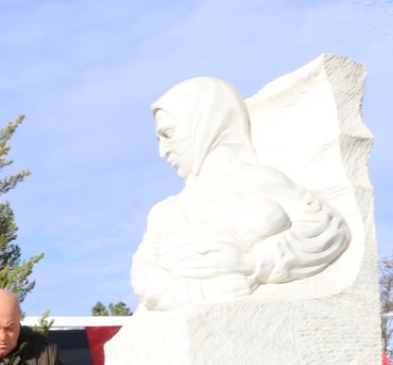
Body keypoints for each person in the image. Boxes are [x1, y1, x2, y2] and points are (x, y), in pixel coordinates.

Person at [130, 76, 350, 311]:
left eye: (169, 134)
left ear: (204, 123)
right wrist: (197, 291)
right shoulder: (165, 212)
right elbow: (143, 273)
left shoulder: (257, 179)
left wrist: (252, 263)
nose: (163, 151)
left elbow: (327, 231)